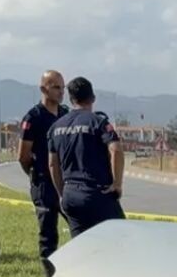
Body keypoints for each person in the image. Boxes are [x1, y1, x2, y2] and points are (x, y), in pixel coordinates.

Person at [48, 76, 125, 238]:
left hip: (71, 194)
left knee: (81, 247)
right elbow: (116, 150)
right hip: (97, 194)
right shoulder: (98, 122)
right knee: (120, 239)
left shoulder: (56, 127)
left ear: (71, 99)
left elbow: (53, 165)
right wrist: (117, 184)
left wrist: (62, 193)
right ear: (93, 98)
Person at [19, 70, 68, 277]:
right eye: (55, 87)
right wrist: (36, 173)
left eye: (62, 87)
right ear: (43, 89)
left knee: (79, 225)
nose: (60, 92)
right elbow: (23, 156)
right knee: (48, 233)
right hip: (44, 184)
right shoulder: (33, 117)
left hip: (66, 183)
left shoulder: (66, 114)